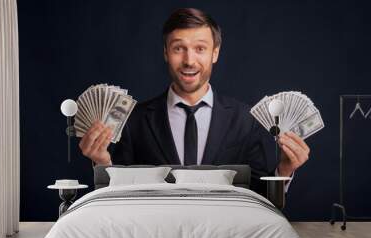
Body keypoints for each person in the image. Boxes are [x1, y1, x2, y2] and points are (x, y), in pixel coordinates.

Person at [78, 8, 310, 196]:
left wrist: (285, 170)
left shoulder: (246, 120)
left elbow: (259, 198)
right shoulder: (133, 119)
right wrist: (103, 163)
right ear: (166, 53)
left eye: (200, 48)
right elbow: (121, 196)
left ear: (215, 53)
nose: (189, 60)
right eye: (179, 48)